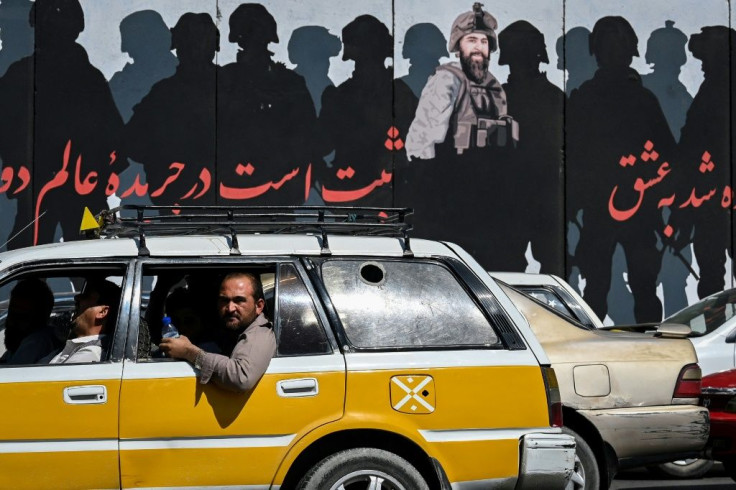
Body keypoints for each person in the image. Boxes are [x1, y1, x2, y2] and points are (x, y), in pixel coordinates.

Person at [566, 16, 676, 323]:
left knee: (641, 289)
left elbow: (667, 157)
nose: (615, 54)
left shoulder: (642, 100)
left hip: (638, 209)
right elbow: (573, 155)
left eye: (619, 47)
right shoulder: (586, 99)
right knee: (597, 290)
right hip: (602, 207)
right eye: (609, 47)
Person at [405, 2, 516, 160]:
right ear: (459, 46)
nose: (479, 47)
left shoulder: (494, 86)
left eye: (484, 42)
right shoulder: (447, 79)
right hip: (451, 175)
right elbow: (422, 141)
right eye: (471, 40)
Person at [160, 272, 276, 393]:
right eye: (224, 301)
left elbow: (241, 377)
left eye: (239, 300)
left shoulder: (259, 332)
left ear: (259, 306)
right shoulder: (231, 327)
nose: (230, 308)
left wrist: (189, 352)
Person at [46, 278, 120, 364]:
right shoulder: (74, 346)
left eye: (87, 295)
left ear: (102, 312)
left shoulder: (90, 354)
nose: (77, 297)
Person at [0, 278, 57, 364]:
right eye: (11, 313)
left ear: (39, 318)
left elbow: (12, 374)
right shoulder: (17, 345)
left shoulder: (36, 342)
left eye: (21, 316)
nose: (12, 322)